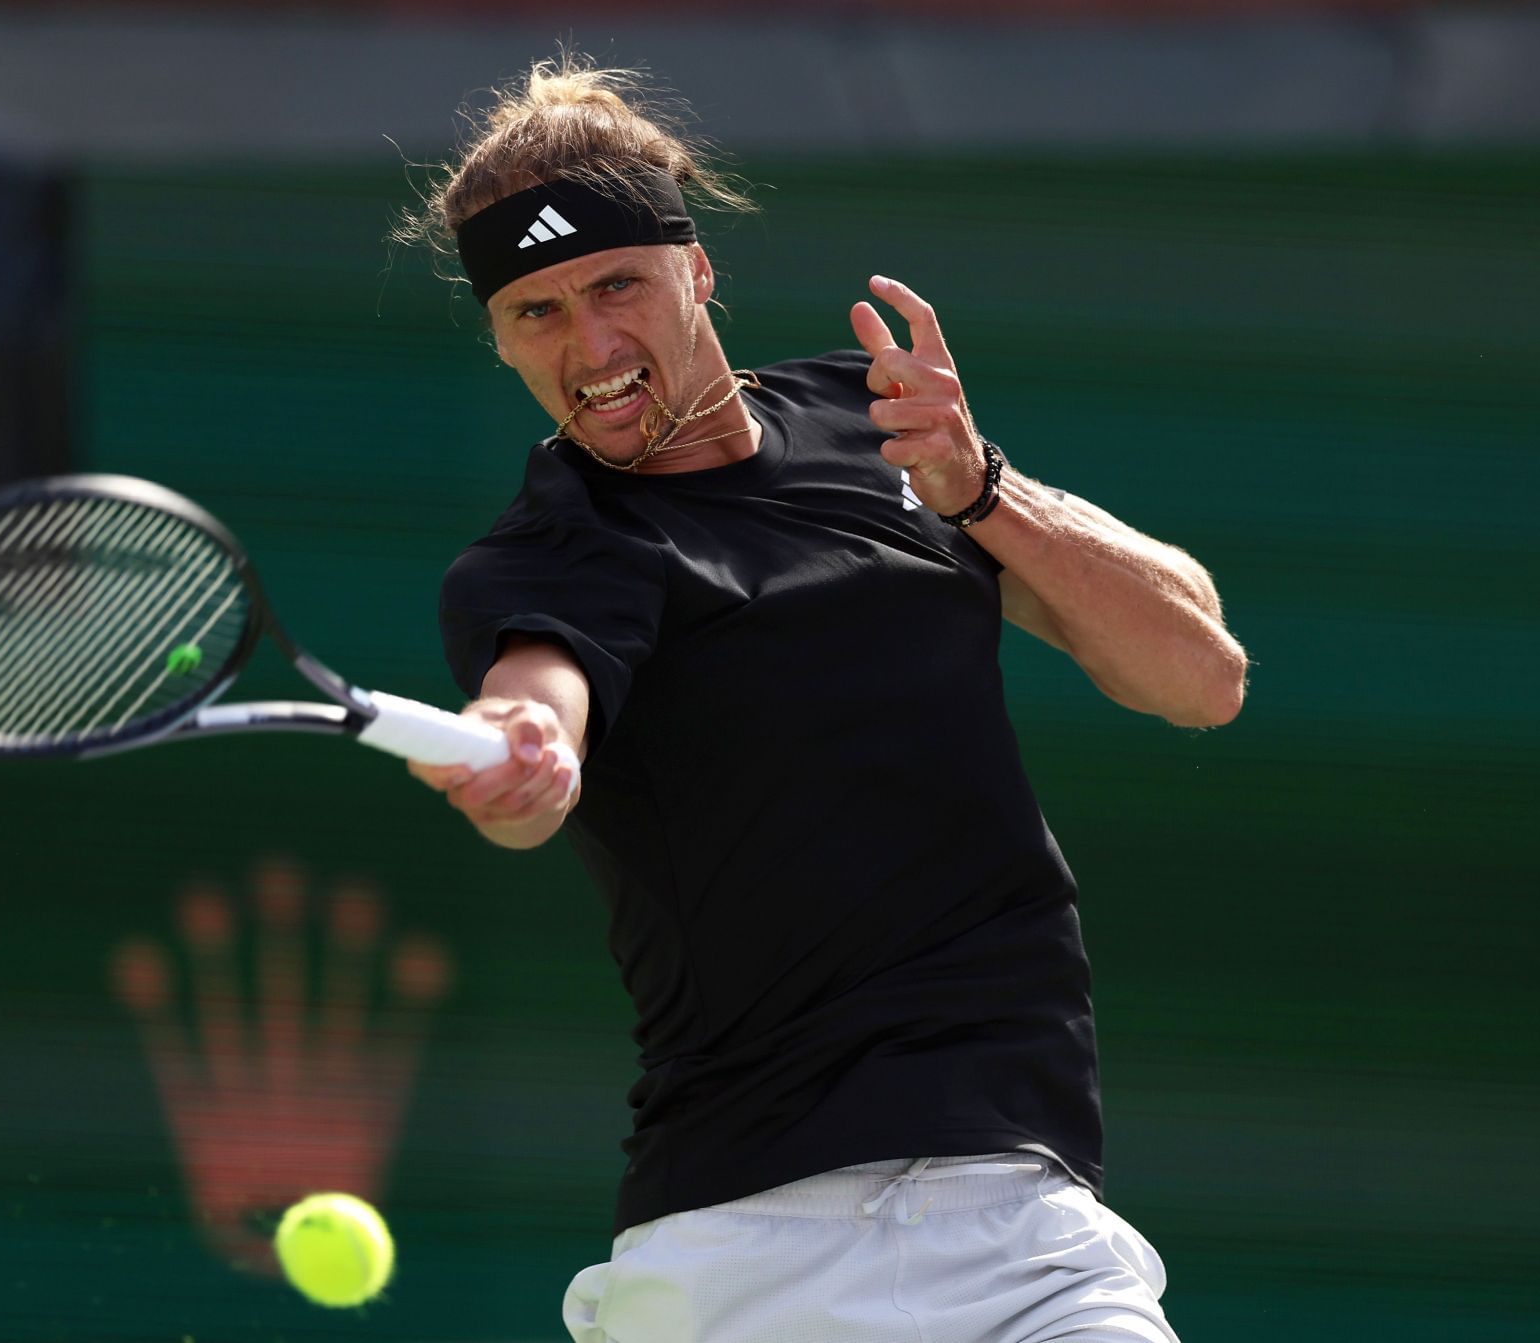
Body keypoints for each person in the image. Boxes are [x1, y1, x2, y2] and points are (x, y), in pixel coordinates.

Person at [398, 54, 1246, 1343]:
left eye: (617, 285)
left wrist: (979, 488)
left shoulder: (881, 425)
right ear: (501, 334)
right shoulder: (550, 554)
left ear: (697, 267)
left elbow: (1201, 676)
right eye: (538, 312)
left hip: (1027, 1219)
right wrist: (526, 745)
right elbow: (541, 694)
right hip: (752, 1251)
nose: (593, 347)